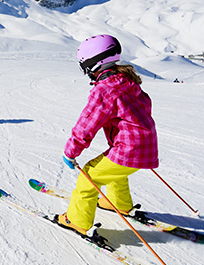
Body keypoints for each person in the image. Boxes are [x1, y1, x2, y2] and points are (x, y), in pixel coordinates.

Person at [56, 34, 158, 238]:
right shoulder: (127, 82)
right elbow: (144, 106)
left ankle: (77, 220)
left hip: (128, 149)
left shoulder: (104, 90)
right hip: (146, 146)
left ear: (92, 63)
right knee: (114, 170)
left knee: (89, 177)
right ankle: (118, 203)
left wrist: (71, 151)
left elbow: (87, 124)